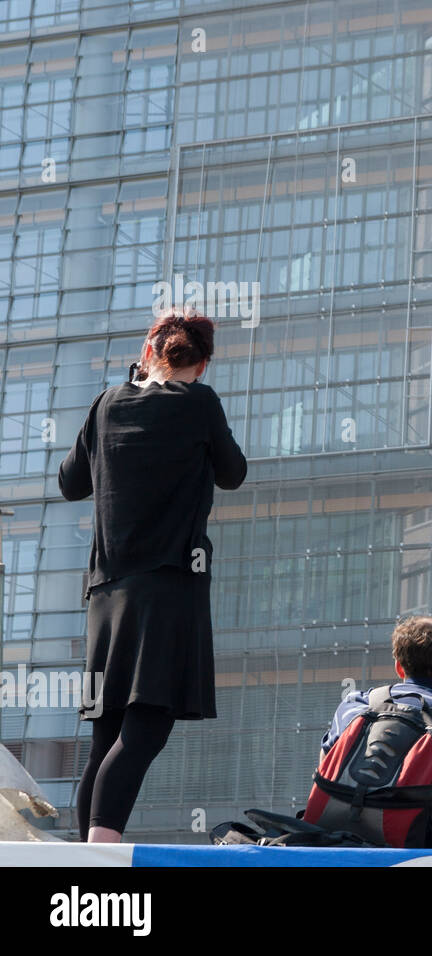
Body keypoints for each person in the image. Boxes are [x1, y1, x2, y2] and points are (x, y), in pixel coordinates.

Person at [59, 308, 247, 843]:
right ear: (203, 364)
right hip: (167, 587)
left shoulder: (106, 403)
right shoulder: (200, 403)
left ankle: (88, 857)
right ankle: (103, 845)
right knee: (147, 724)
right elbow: (233, 473)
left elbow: (70, 482)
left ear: (147, 352)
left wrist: (127, 391)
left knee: (107, 735)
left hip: (105, 595)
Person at [316, 616, 432, 849]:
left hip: (329, 848)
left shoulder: (354, 705)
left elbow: (327, 772)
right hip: (406, 855)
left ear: (399, 666)